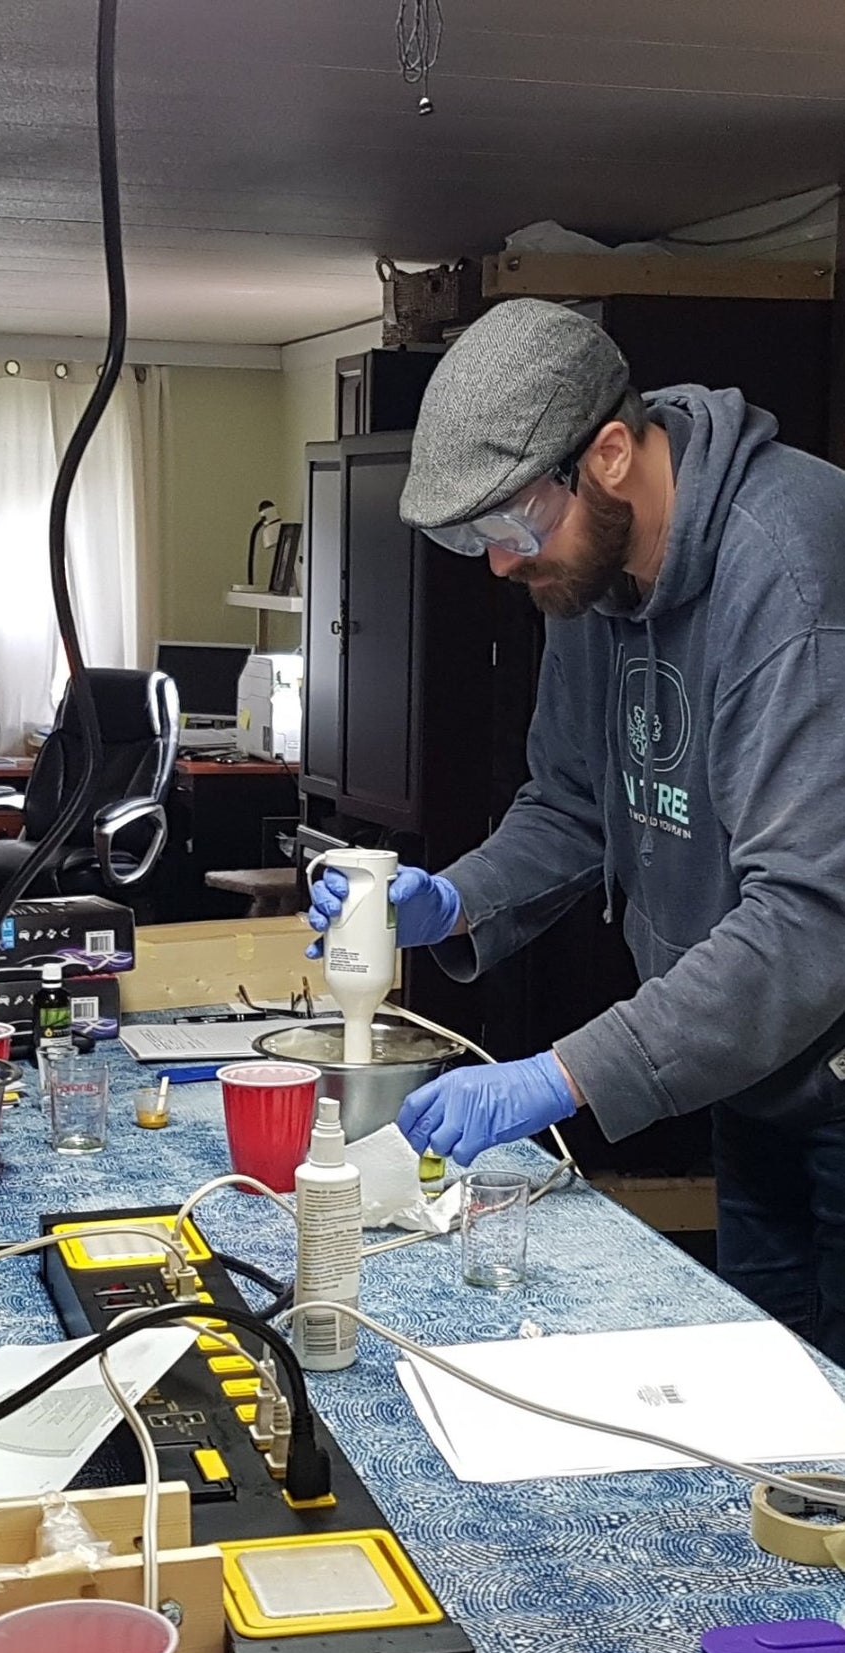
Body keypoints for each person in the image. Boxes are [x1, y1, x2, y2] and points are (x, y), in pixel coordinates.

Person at [307, 298, 845, 1360]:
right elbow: (572, 803)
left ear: (607, 455)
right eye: (474, 540)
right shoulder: (596, 572)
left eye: (511, 527)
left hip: (825, 1036)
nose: (501, 565)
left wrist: (561, 1076)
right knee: (771, 1385)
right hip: (751, 1059)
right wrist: (452, 899)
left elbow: (809, 915)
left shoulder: (791, 578)